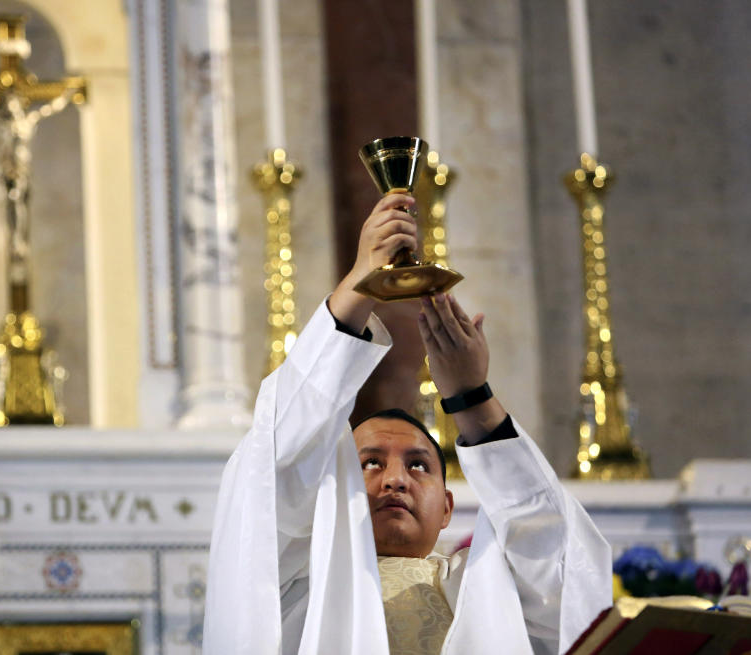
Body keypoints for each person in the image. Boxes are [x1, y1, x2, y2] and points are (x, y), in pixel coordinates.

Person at [203, 193, 612, 654]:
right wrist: (359, 285)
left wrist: (472, 397)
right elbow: (273, 464)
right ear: (327, 498)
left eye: (419, 466)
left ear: (447, 509)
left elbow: (558, 560)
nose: (394, 480)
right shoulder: (292, 585)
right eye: (369, 464)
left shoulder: (489, 591)